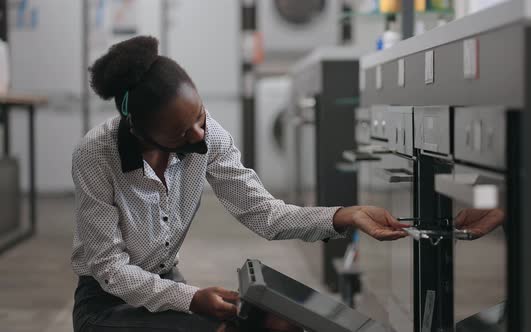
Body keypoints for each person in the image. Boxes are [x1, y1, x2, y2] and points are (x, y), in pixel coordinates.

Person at [71, 36, 409, 332]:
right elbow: (110, 270)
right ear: (141, 131)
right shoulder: (96, 155)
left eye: (199, 116)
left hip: (165, 283)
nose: (199, 135)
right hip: (105, 305)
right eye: (181, 133)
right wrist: (191, 299)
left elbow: (264, 213)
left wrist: (345, 215)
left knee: (282, 324)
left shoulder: (208, 137)